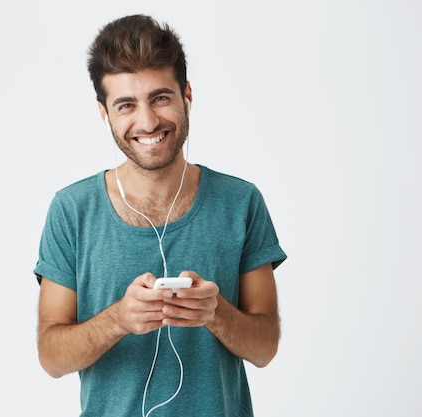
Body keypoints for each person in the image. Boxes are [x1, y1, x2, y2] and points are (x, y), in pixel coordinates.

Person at [33, 14, 287, 417]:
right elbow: (51, 356)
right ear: (105, 114)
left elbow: (265, 347)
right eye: (126, 105)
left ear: (187, 94)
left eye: (161, 97)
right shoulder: (71, 210)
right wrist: (119, 318)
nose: (148, 121)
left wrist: (215, 312)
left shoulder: (241, 202)